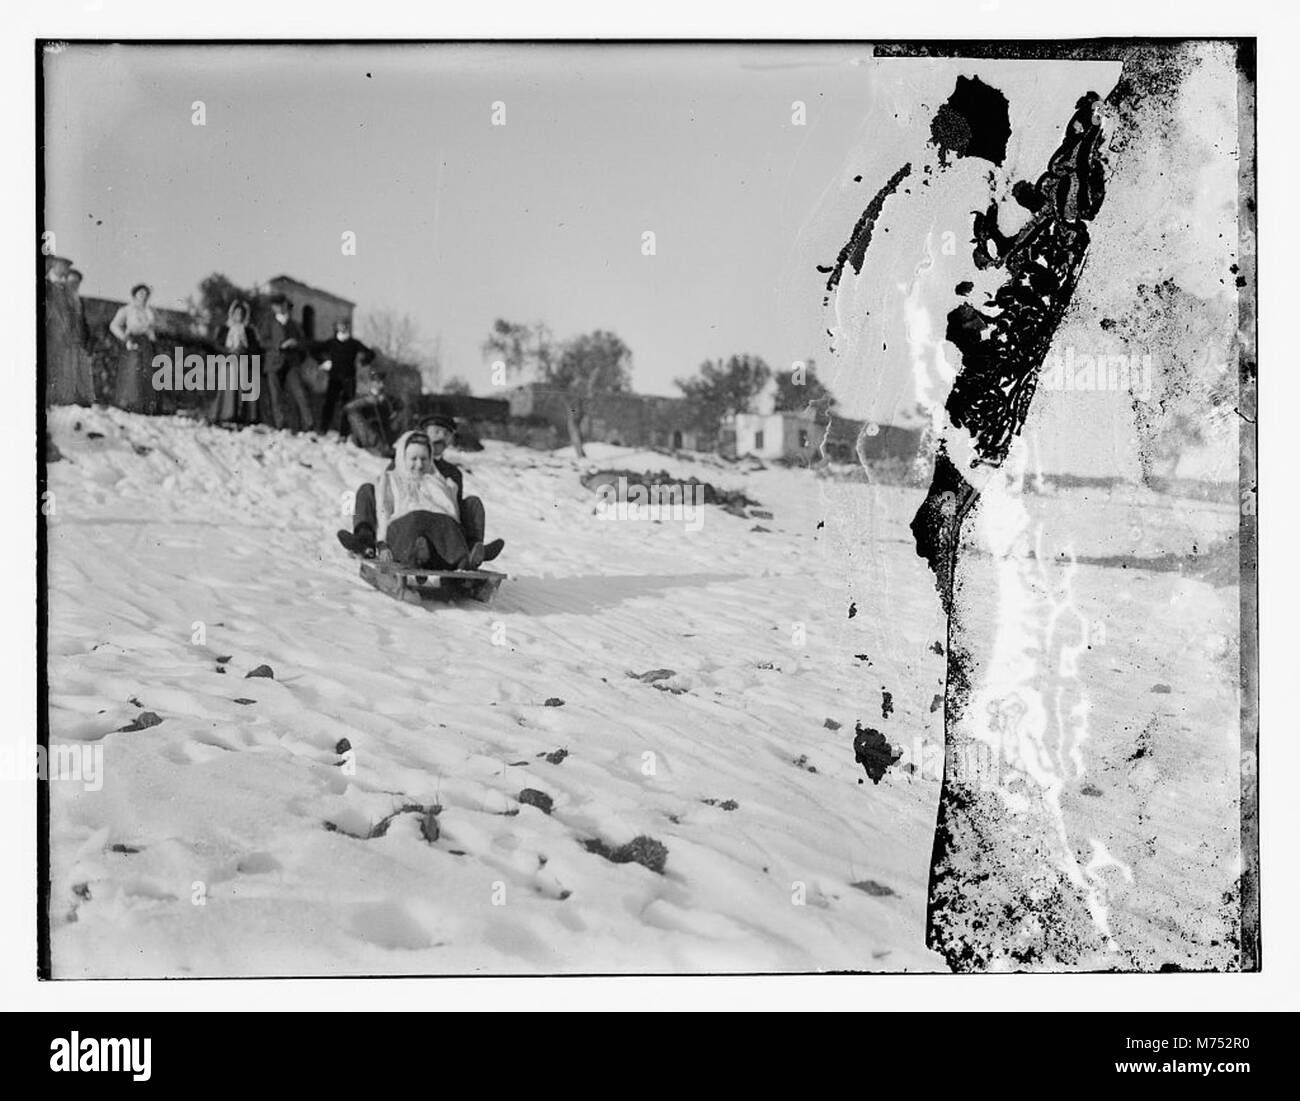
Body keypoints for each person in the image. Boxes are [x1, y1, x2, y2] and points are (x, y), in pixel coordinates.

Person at [337, 417, 504, 569]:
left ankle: (472, 549)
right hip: (402, 512)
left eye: (446, 434)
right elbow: (388, 495)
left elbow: (454, 507)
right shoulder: (403, 460)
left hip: (438, 523)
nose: (441, 437)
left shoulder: (452, 472)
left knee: (473, 503)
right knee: (367, 490)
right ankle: (364, 541)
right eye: (437, 431)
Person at [310, 319, 374, 440]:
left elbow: (370, 353)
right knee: (329, 404)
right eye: (340, 325)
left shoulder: (354, 343)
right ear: (336, 327)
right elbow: (314, 350)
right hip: (334, 379)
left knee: (347, 406)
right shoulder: (332, 342)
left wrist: (363, 362)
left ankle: (343, 434)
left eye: (345, 325)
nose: (342, 327)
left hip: (349, 379)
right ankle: (323, 429)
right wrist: (323, 362)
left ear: (348, 327)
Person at [208, 299, 263, 426]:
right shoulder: (224, 329)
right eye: (237, 313)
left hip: (245, 361)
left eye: (242, 313)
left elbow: (255, 348)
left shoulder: (249, 331)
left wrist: (244, 351)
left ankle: (243, 415)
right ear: (232, 314)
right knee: (230, 374)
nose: (239, 316)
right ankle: (227, 413)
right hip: (227, 360)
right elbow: (217, 345)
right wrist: (229, 351)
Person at [109, 283, 159, 413]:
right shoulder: (126, 310)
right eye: (141, 293)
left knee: (147, 372)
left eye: (146, 294)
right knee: (133, 371)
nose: (144, 296)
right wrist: (125, 338)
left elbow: (152, 329)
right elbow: (114, 325)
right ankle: (129, 403)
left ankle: (146, 406)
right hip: (133, 341)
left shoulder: (149, 312)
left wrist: (152, 338)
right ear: (135, 294)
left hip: (146, 343)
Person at [267, 297, 311, 431]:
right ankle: (280, 424)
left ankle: (309, 424)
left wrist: (296, 344)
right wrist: (279, 345)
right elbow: (262, 340)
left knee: (300, 393)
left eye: (286, 307)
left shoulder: (295, 325)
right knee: (276, 395)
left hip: (292, 363)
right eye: (280, 306)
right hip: (274, 362)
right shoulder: (269, 323)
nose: (283, 309)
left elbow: (304, 343)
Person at [343, 363, 402, 457]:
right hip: (366, 435)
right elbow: (348, 408)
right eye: (378, 382)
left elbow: (400, 406)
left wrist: (394, 411)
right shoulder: (363, 397)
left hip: (384, 434)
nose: (381, 385)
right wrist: (366, 401)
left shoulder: (389, 399)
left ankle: (388, 447)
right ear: (371, 383)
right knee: (353, 415)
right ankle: (378, 448)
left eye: (382, 382)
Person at [64, 270, 97, 404]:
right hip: (65, 340)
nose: (74, 285)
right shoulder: (60, 299)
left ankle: (81, 400)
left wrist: (88, 339)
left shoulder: (79, 300)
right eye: (71, 282)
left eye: (77, 282)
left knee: (81, 370)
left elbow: (83, 322)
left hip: (79, 340)